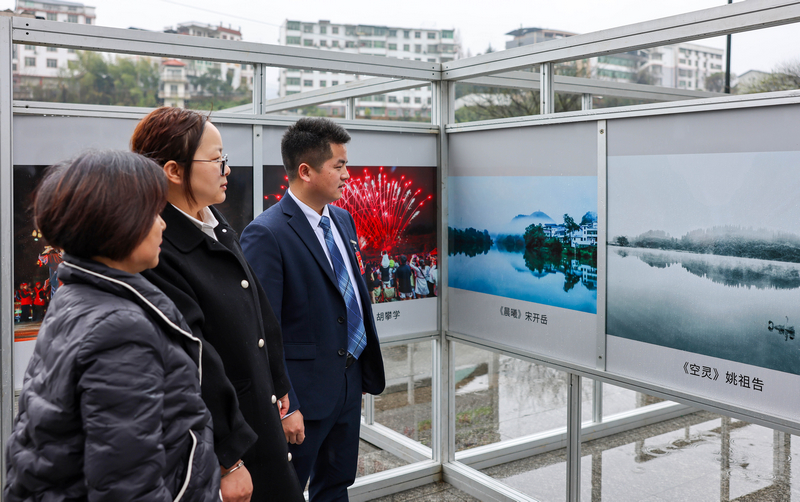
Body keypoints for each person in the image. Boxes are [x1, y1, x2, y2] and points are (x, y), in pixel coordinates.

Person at [4, 150, 219, 501]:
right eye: (153, 213)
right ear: (118, 221)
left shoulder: (78, 295)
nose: (163, 224)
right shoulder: (120, 329)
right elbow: (127, 486)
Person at [131, 107, 304, 502]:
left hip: (258, 412)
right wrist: (229, 460)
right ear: (174, 171)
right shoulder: (159, 250)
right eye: (216, 159)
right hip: (228, 436)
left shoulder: (212, 222)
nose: (227, 169)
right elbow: (194, 360)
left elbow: (257, 309)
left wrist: (278, 381)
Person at [240, 117, 386, 501]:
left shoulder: (342, 220)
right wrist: (286, 407)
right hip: (302, 398)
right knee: (285, 491)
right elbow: (262, 329)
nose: (348, 175)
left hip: (347, 384)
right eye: (339, 165)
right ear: (305, 171)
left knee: (336, 486)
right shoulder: (267, 233)